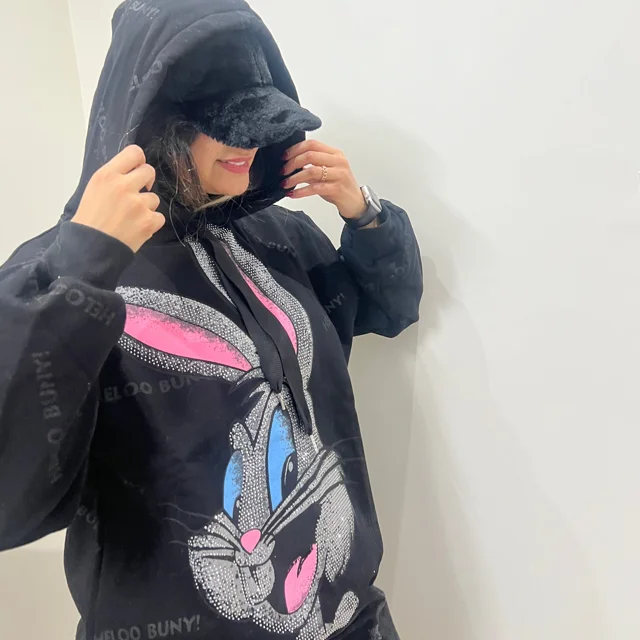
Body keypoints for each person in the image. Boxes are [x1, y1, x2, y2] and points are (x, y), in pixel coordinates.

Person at [0, 1, 422, 639]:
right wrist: (81, 268)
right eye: (225, 126)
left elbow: (389, 308)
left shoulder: (279, 238)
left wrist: (364, 215)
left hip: (348, 618)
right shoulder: (54, 275)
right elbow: (10, 494)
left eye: (260, 122)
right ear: (153, 123)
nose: (249, 143)